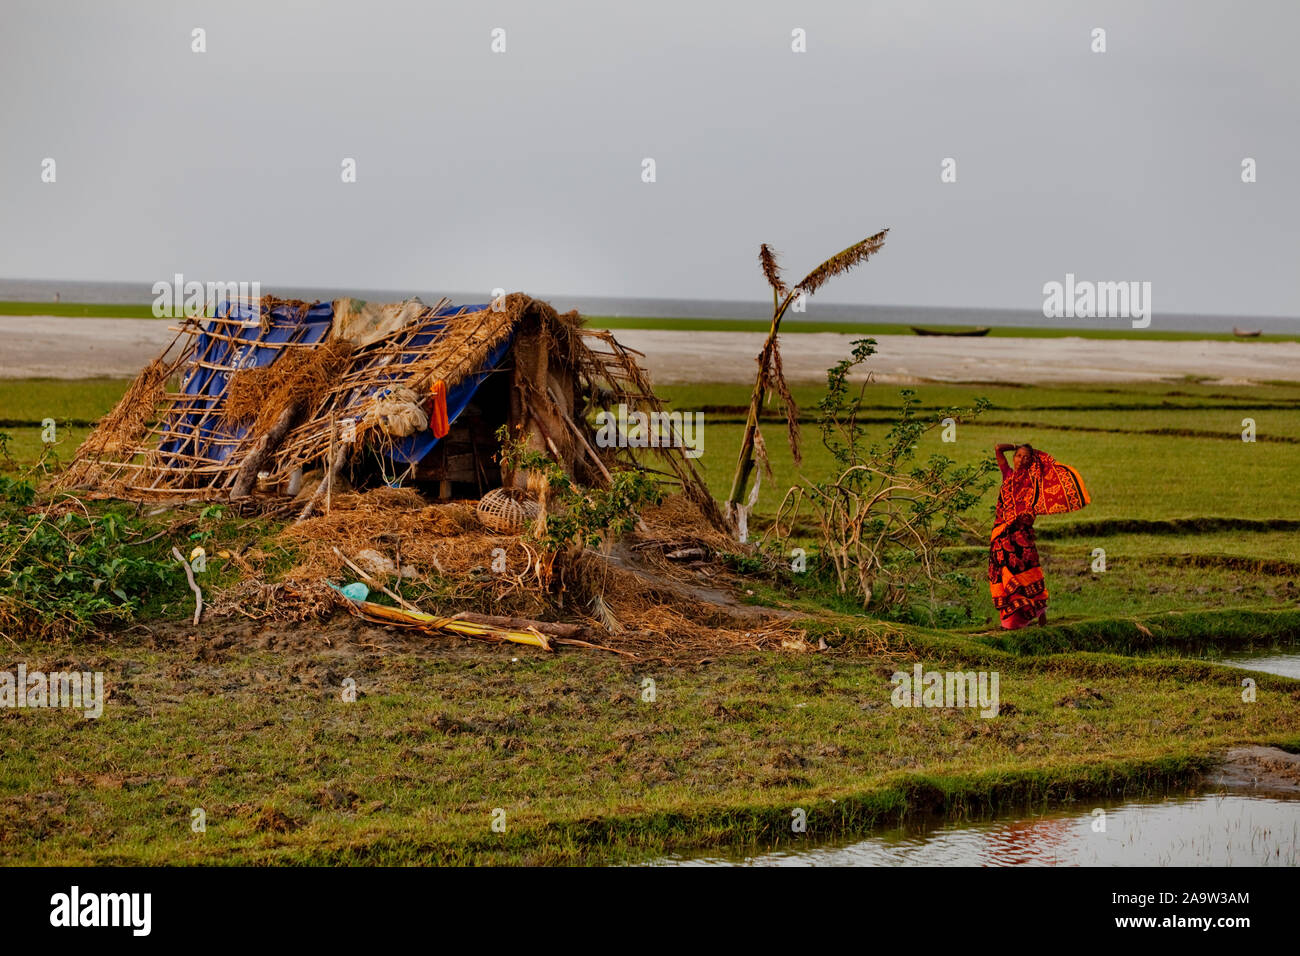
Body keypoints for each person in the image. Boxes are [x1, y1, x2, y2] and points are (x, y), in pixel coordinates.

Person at [989, 442, 1090, 629]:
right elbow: (997, 448)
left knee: (1028, 577)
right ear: (1014, 457)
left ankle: (1037, 612)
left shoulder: (1034, 485)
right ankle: (1011, 622)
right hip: (1001, 538)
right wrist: (1015, 445)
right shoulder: (1008, 476)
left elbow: (1035, 508)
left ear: (1031, 461)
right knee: (1004, 577)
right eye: (1018, 455)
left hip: (1022, 539)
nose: (1021, 459)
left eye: (1026, 457)